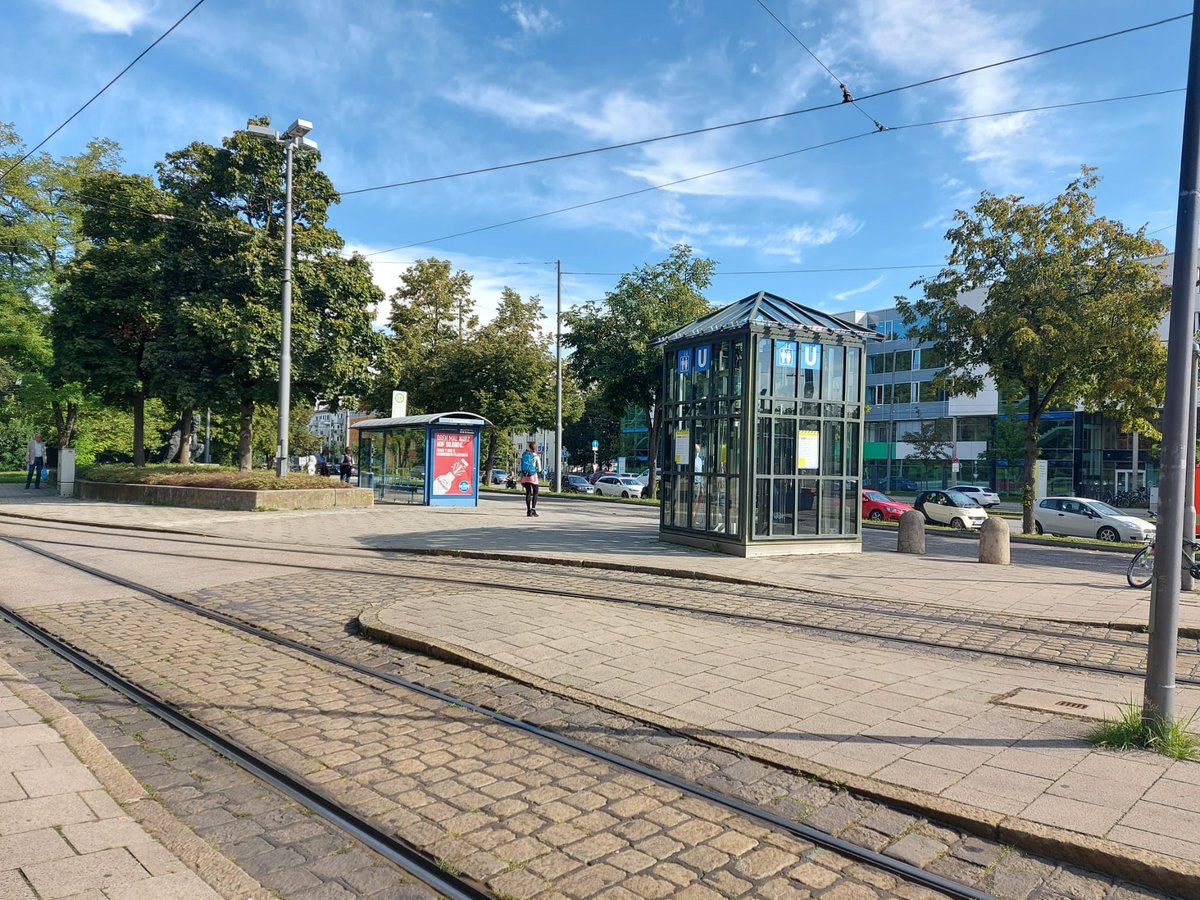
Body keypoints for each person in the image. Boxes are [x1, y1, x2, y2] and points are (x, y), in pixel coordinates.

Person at [519, 441, 541, 517]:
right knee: (535, 493)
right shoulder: (536, 456)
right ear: (535, 448)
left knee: (528, 493)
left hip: (525, 476)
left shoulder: (525, 455)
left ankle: (528, 511)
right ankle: (533, 510)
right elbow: (539, 469)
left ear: (529, 447)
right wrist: (535, 469)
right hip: (533, 476)